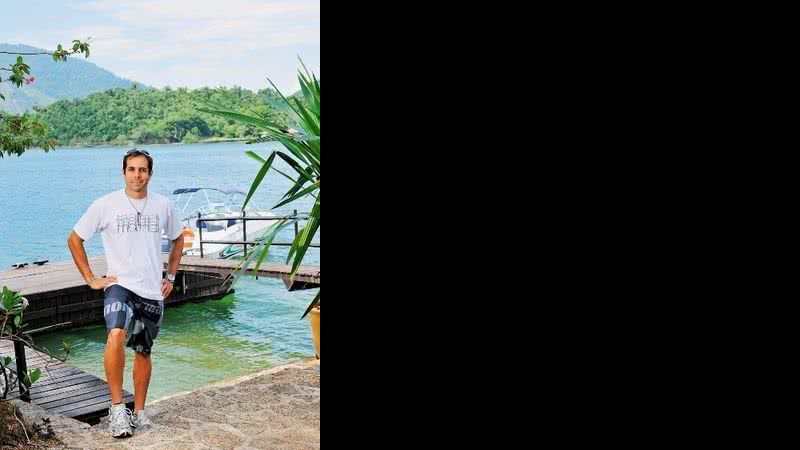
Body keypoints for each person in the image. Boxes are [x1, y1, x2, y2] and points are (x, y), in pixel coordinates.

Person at [67, 148, 184, 438]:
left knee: (143, 350)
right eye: (131, 169)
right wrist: (91, 278)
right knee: (116, 334)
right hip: (119, 285)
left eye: (142, 170)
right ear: (123, 172)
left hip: (151, 290)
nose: (137, 175)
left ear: (150, 174)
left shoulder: (163, 206)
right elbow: (75, 239)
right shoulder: (105, 205)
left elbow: (178, 238)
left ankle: (140, 411)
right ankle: (117, 409)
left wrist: (170, 275)